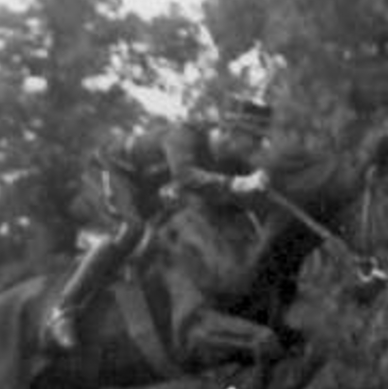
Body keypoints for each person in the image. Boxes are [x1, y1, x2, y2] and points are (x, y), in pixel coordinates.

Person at [41, 97, 274, 353]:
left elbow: (242, 185)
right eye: (254, 138)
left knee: (162, 237)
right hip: (112, 171)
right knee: (130, 229)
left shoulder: (225, 156)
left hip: (145, 187)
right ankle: (62, 310)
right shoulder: (183, 135)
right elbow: (185, 175)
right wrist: (238, 184)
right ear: (231, 132)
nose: (258, 145)